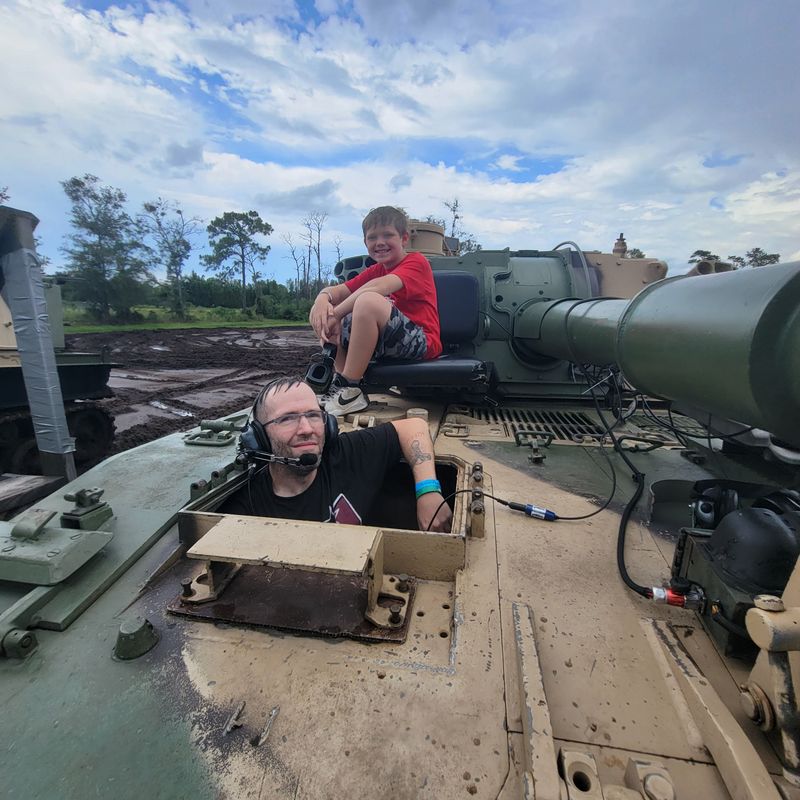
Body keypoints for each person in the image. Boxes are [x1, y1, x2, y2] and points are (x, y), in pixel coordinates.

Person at [220, 376, 452, 533]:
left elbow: (414, 427)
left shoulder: (344, 454)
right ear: (259, 437)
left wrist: (428, 490)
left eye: (313, 415)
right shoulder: (246, 507)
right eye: (287, 418)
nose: (307, 429)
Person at [308, 206, 442, 416]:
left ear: (404, 238)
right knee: (324, 313)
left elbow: (376, 288)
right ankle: (340, 383)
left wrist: (336, 314)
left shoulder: (416, 262)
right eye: (372, 237)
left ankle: (350, 386)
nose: (380, 242)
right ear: (365, 243)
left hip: (422, 342)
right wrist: (322, 300)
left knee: (367, 301)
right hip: (389, 342)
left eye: (388, 235)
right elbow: (338, 291)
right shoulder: (377, 269)